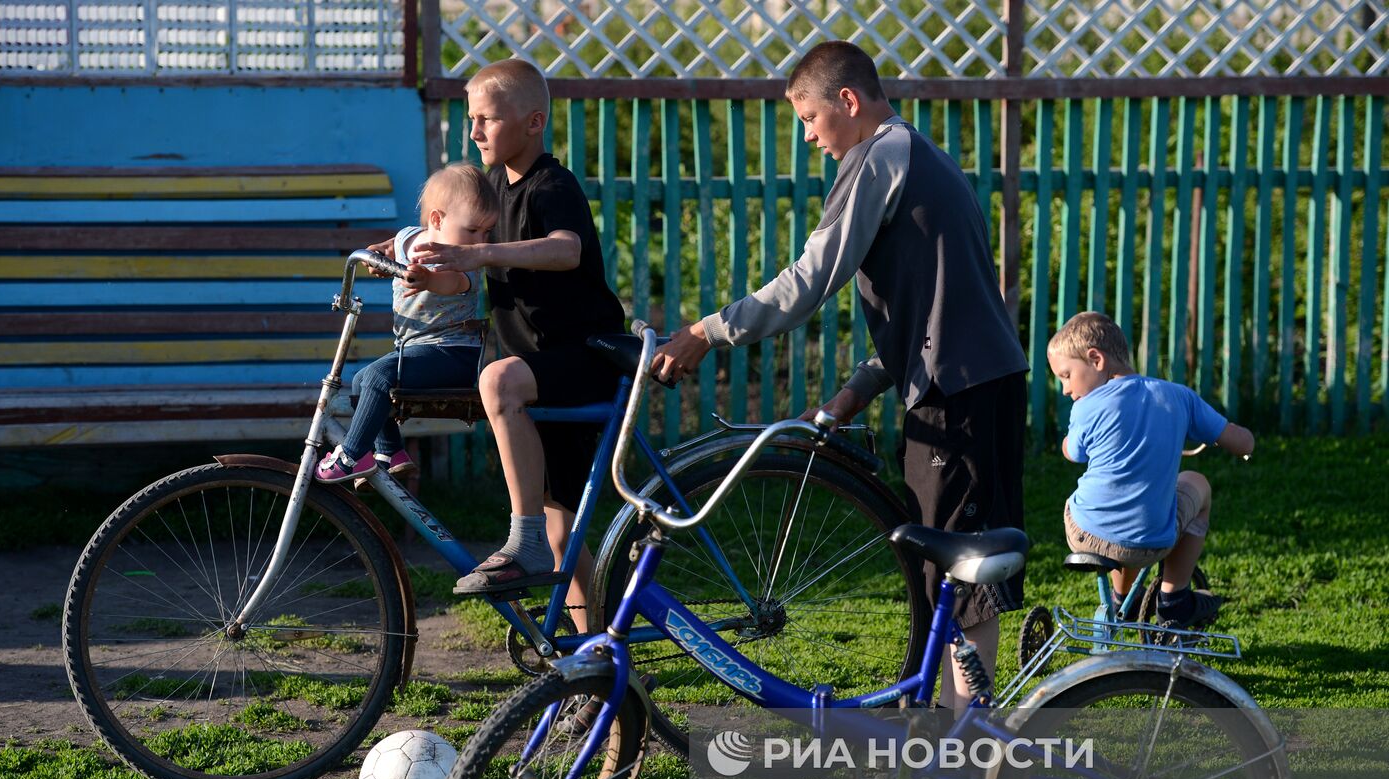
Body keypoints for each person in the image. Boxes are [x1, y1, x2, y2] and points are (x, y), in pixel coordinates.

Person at [650, 40, 1029, 711]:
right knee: (952, 567)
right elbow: (937, 305)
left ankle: (964, 740)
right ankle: (952, 727)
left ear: (848, 101)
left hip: (958, 394)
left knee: (959, 577)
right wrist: (859, 389)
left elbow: (809, 279)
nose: (809, 138)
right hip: (976, 381)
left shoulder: (879, 154)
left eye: (810, 119)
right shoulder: (921, 154)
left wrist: (709, 331)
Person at [406, 59, 624, 633]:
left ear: (533, 122)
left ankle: (518, 541)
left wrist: (480, 255)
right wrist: (417, 254)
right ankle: (592, 656)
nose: (474, 132)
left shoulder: (553, 184)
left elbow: (565, 249)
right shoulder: (492, 191)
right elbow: (452, 236)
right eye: (471, 119)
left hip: (582, 358)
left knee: (498, 379)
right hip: (537, 370)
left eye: (487, 119)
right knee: (564, 528)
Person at [1048, 311, 1254, 626]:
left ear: (1096, 359)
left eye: (1065, 375)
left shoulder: (1086, 406)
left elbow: (1073, 452)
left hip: (1084, 533)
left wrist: (1065, 443)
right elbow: (1242, 443)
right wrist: (1243, 443)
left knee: (1116, 497)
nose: (1065, 389)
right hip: (1152, 542)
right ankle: (1173, 598)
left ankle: (1122, 599)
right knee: (1196, 484)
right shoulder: (1179, 397)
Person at [316, 164, 498, 483]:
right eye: (473, 231)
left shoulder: (463, 264)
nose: (479, 241)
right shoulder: (408, 238)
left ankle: (351, 454)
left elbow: (452, 283)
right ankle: (390, 451)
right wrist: (377, 254)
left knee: (376, 375)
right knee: (362, 380)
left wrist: (429, 279)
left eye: (487, 232)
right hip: (414, 351)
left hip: (455, 356)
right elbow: (392, 246)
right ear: (437, 220)